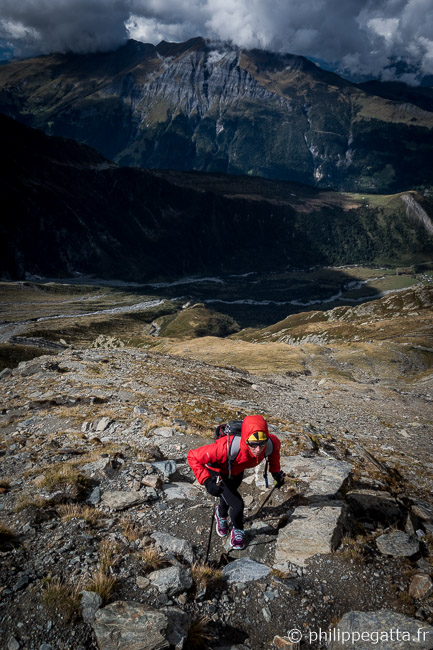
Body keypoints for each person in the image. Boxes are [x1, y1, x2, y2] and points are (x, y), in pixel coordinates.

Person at [187, 414, 284, 550]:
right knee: (237, 504)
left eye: (261, 444)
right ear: (245, 440)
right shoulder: (226, 447)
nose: (258, 450)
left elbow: (274, 455)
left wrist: (276, 473)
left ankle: (220, 514)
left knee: (228, 498)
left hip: (236, 471)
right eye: (253, 445)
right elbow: (193, 456)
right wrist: (207, 481)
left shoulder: (270, 444)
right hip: (218, 471)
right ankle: (238, 530)